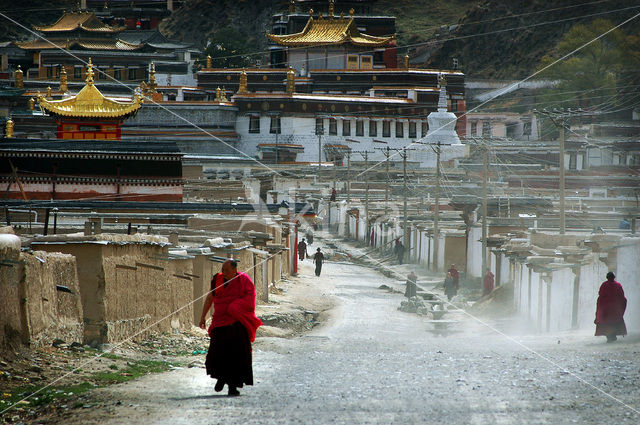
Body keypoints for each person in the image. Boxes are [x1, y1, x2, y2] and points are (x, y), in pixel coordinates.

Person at [199, 259, 263, 396]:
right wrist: (203, 316)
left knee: (237, 357)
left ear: (235, 269)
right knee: (217, 355)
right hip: (220, 323)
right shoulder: (218, 280)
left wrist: (235, 307)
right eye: (223, 269)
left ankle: (232, 387)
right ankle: (221, 378)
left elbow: (251, 298)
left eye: (227, 270)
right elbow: (210, 298)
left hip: (237, 324)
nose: (224, 272)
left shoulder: (243, 280)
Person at [594, 272, 627, 343]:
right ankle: (613, 336)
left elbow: (601, 295)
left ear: (607, 277)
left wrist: (599, 310)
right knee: (614, 322)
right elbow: (622, 297)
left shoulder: (604, 285)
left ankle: (609, 337)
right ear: (613, 277)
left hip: (605, 308)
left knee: (606, 323)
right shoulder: (618, 285)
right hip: (615, 309)